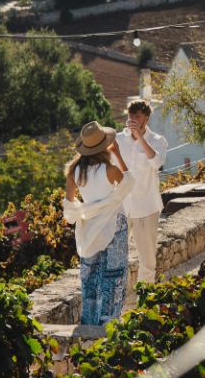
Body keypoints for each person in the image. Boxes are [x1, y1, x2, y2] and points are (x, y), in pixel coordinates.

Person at [63, 120, 134, 326]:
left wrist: (88, 210)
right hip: (114, 224)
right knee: (113, 274)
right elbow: (129, 183)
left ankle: (89, 321)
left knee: (91, 275)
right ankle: (108, 322)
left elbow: (69, 207)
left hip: (89, 228)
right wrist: (118, 154)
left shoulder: (74, 172)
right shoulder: (110, 169)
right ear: (104, 146)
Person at [115, 99, 168, 284]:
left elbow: (157, 163)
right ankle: (116, 302)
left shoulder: (158, 141)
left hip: (146, 206)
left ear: (146, 117)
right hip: (121, 207)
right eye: (130, 116)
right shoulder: (118, 140)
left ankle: (145, 301)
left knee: (147, 260)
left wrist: (140, 139)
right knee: (115, 258)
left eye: (137, 116)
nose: (133, 119)